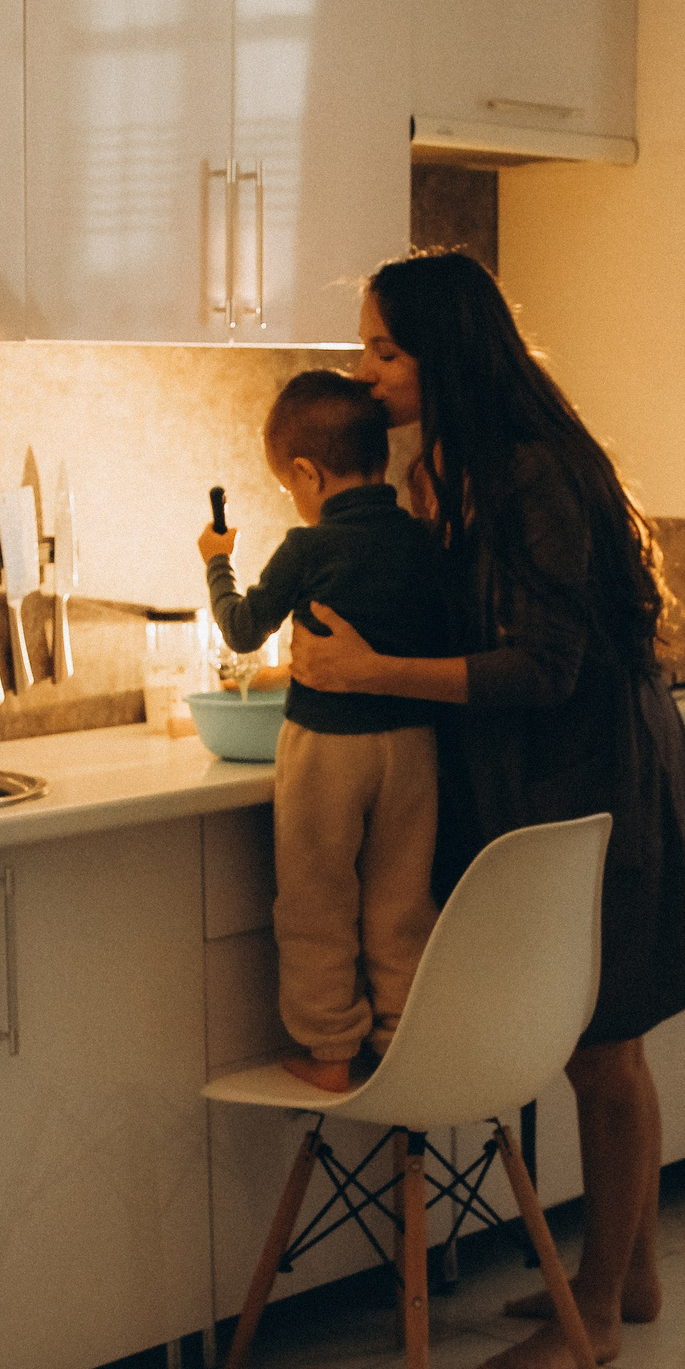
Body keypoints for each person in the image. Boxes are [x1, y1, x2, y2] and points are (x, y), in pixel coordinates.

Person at [287, 251, 685, 1369]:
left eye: (386, 348)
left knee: (601, 1045)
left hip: (594, 777)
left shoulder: (525, 472)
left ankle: (600, 1307)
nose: (367, 369)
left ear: (447, 352)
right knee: (600, 1040)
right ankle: (628, 1277)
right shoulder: (468, 465)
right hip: (558, 774)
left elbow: (542, 666)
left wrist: (376, 671)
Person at [198, 369, 456, 1094]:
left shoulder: (306, 549)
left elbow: (245, 630)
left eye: (290, 484)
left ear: (307, 473)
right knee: (401, 899)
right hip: (412, 743)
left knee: (316, 901)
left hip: (328, 747)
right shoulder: (419, 541)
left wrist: (218, 563)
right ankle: (402, 1040)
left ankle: (332, 1048)